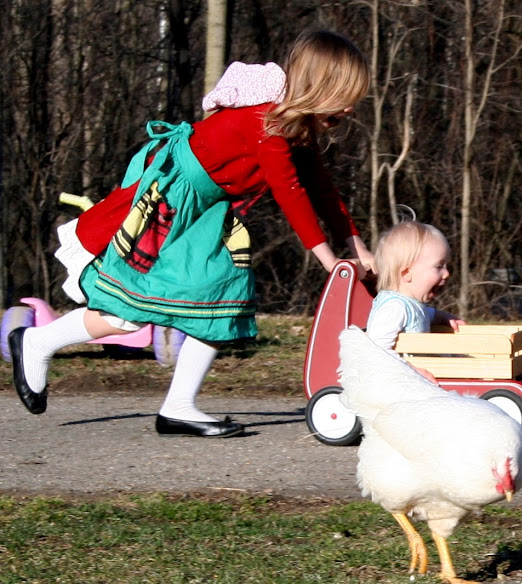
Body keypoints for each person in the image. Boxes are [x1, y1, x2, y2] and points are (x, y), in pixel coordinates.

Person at [9, 30, 375, 438]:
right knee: (127, 309)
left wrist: (357, 246)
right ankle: (39, 342)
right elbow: (290, 192)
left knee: (220, 297)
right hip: (172, 198)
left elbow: (320, 188)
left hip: (205, 208)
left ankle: (178, 407)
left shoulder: (293, 126)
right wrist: (330, 261)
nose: (349, 108)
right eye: (345, 96)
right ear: (319, 86)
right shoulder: (267, 122)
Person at [366, 221, 464, 384]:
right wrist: (411, 370)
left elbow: (424, 316)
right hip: (401, 382)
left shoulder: (412, 306)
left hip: (418, 378)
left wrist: (443, 317)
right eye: (439, 266)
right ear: (407, 273)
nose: (446, 273)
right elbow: (377, 349)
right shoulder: (394, 308)